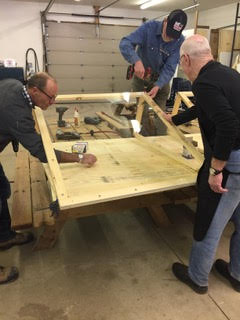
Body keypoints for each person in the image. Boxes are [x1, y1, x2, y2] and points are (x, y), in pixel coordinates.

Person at [164, 35, 240, 294]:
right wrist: (176, 119)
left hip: (233, 164)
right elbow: (207, 108)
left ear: (185, 59)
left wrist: (216, 169)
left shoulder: (205, 83)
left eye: (180, 62)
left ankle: (197, 277)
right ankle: (237, 273)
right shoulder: (227, 74)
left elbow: (228, 124)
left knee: (210, 221)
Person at [0, 72, 97, 260]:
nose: (53, 102)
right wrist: (79, 157)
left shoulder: (15, 85)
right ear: (35, 90)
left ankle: (4, 237)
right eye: (50, 97)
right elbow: (40, 151)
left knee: (2, 188)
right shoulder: (17, 112)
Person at [119, 9, 187, 135]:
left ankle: (160, 139)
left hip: (161, 80)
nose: (169, 38)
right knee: (142, 112)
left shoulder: (180, 41)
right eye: (168, 32)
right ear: (165, 21)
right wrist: (136, 61)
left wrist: (158, 85)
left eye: (173, 35)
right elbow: (125, 43)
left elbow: (170, 67)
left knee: (161, 114)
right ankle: (143, 140)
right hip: (142, 78)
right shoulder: (149, 28)